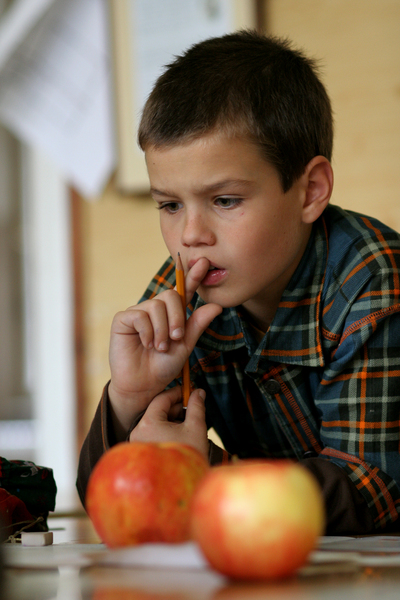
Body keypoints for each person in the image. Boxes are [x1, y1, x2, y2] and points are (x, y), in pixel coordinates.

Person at [77, 30, 400, 535]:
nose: (190, 235)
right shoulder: (182, 291)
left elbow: (374, 493)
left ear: (310, 191)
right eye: (170, 205)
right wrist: (128, 397)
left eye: (225, 200)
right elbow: (105, 502)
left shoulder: (372, 282)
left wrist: (205, 475)